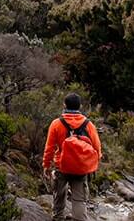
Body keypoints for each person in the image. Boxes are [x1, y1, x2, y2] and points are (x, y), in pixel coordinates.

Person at [42, 93, 101, 221]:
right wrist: (93, 165)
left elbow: (49, 148)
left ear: (64, 105)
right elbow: (97, 148)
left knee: (59, 197)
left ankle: (58, 218)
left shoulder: (56, 124)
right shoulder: (88, 125)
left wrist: (46, 165)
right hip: (81, 167)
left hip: (61, 166)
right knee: (79, 201)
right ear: (80, 106)